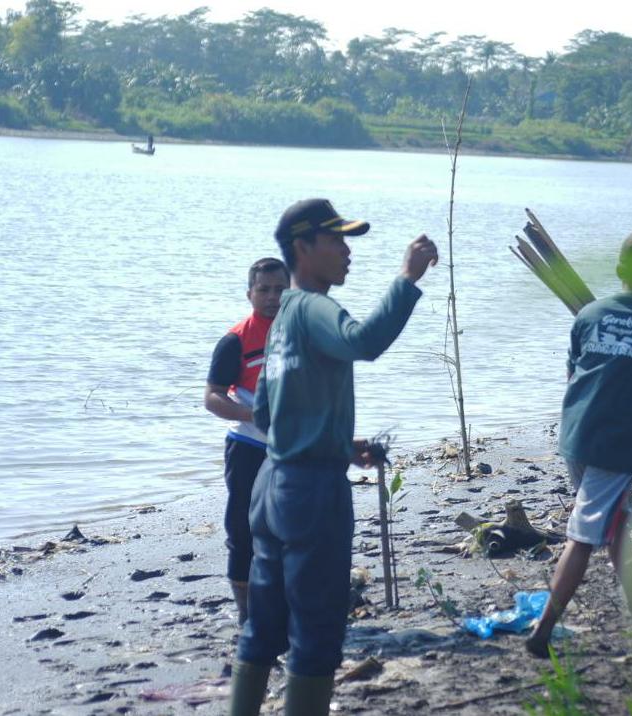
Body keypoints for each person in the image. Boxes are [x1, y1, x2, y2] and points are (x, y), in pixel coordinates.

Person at [228, 198, 437, 716]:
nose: (347, 252)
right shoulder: (315, 306)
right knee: (316, 635)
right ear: (303, 247)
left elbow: (271, 417)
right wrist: (407, 279)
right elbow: (363, 342)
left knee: (261, 628)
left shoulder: (280, 322)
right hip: (312, 494)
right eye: (337, 240)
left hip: (271, 488)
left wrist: (341, 445)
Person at [525, 231, 632, 658]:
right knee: (584, 535)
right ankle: (542, 630)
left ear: (619, 271)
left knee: (621, 524)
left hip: (576, 435)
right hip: (615, 444)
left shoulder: (589, 314)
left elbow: (574, 373)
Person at [205, 257, 290, 625]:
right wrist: (252, 415)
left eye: (280, 289)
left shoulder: (304, 333)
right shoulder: (235, 340)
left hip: (295, 449)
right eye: (264, 290)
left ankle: (289, 605)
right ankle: (246, 614)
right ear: (249, 294)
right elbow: (213, 397)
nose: (273, 297)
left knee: (293, 528)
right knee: (242, 531)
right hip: (249, 447)